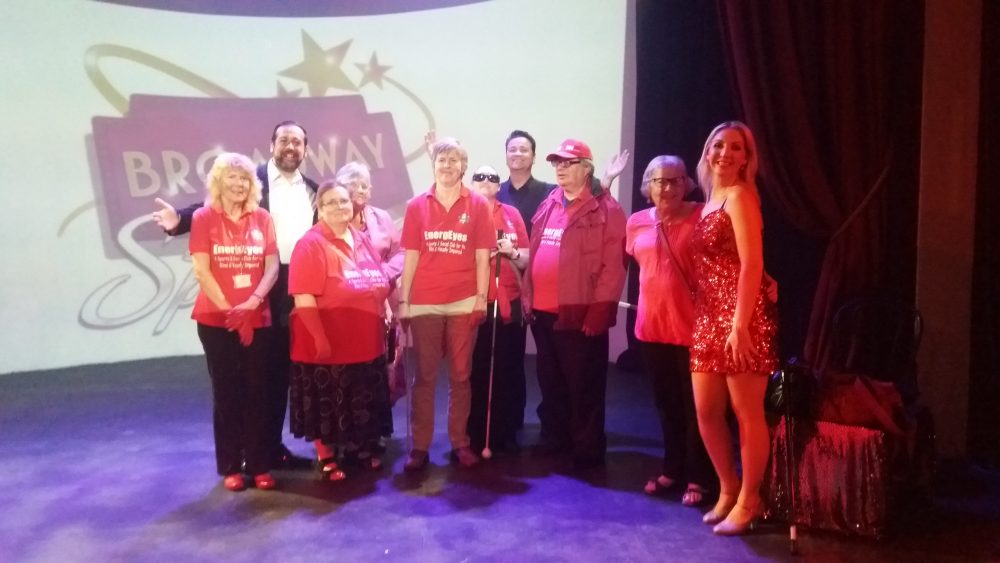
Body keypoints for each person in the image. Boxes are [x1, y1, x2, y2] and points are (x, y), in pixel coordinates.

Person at [152, 121, 316, 469]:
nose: (290, 147)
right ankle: (239, 454)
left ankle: (268, 448)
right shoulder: (252, 179)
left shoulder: (313, 190)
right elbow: (212, 205)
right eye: (284, 140)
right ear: (271, 145)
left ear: (306, 149)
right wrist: (178, 219)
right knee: (244, 379)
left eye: (297, 142)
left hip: (297, 288)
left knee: (279, 376)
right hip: (261, 289)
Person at [498, 129, 629, 436]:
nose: (560, 168)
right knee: (551, 381)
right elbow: (535, 251)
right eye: (557, 162)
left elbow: (613, 266)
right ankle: (555, 440)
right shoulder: (550, 203)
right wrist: (528, 297)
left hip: (579, 313)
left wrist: (600, 310)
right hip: (542, 313)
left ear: (586, 168)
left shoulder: (607, 209)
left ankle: (585, 450)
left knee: (584, 386)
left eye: (568, 163)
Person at [689, 121, 778, 535]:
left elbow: (752, 264)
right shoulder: (710, 201)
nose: (725, 153)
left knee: (746, 414)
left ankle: (750, 500)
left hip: (741, 318)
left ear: (746, 158)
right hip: (708, 318)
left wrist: (740, 323)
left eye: (736, 147)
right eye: (719, 145)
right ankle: (728, 489)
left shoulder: (741, 197)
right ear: (708, 152)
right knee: (707, 412)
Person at [398, 138, 494, 471]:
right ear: (433, 165)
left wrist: (481, 298)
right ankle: (420, 446)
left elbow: (482, 257)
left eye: (454, 160)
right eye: (442, 159)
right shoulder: (416, 206)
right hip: (424, 301)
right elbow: (411, 256)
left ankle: (460, 442)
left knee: (461, 376)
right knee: (425, 377)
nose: (448, 165)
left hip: (464, 301)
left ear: (464, 167)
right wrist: (404, 300)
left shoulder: (478, 205)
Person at [287, 180, 392, 480]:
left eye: (343, 201)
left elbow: (377, 279)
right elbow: (303, 297)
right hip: (329, 342)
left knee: (359, 396)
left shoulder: (361, 239)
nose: (339, 207)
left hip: (365, 341)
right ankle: (327, 455)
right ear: (319, 210)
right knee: (328, 399)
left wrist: (385, 308)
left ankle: (359, 448)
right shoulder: (310, 244)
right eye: (330, 202)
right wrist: (319, 338)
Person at [189, 152, 279, 491]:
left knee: (258, 391)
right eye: (232, 177)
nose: (239, 184)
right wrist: (232, 311)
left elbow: (272, 266)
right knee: (227, 392)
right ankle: (230, 465)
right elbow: (202, 270)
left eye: (244, 179)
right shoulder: (203, 217)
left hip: (257, 316)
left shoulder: (263, 218)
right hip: (217, 319)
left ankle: (258, 464)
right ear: (218, 181)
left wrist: (252, 303)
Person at [626, 155, 714, 505]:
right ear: (647, 186)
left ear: (687, 184)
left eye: (675, 180)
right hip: (652, 328)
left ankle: (699, 477)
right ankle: (672, 469)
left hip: (694, 329)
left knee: (698, 410)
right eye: (659, 181)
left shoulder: (703, 216)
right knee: (666, 406)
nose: (667, 187)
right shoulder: (636, 223)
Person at [335, 161, 405, 440]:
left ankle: (376, 430)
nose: (359, 190)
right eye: (353, 185)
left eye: (364, 185)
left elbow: (401, 252)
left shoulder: (382, 217)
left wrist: (382, 274)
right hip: (348, 306)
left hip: (385, 302)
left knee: (386, 367)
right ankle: (348, 432)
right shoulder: (331, 219)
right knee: (352, 370)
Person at [466, 164, 530, 456]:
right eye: (479, 176)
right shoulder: (464, 213)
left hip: (509, 302)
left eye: (492, 177)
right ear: (471, 182)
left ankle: (505, 431)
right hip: (475, 301)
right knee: (476, 369)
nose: (485, 181)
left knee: (508, 369)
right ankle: (474, 432)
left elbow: (526, 257)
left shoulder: (512, 214)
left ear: (498, 185)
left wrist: (511, 252)